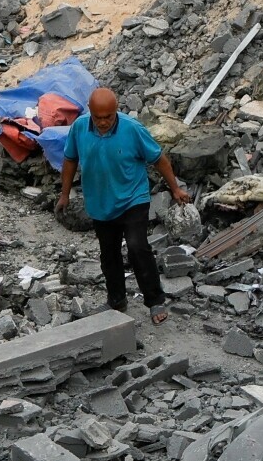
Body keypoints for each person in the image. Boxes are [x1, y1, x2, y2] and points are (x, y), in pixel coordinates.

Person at [57, 88, 192, 325]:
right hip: (100, 202)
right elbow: (70, 159)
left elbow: (158, 158)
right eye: (98, 117)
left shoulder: (132, 129)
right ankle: (117, 299)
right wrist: (64, 194)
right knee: (109, 254)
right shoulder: (79, 128)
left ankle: (155, 300)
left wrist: (176, 188)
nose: (103, 122)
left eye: (108, 117)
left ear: (116, 111)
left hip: (133, 198)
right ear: (90, 112)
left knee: (137, 247)